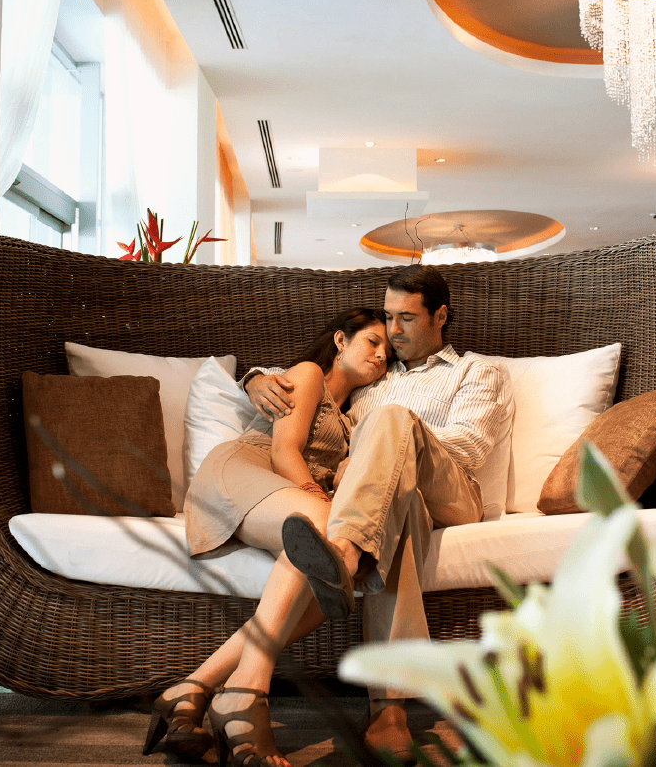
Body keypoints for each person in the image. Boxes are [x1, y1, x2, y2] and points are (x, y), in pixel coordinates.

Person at [245, 265, 510, 762]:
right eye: (387, 318)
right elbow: (316, 387)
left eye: (406, 318)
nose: (392, 330)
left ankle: (344, 552)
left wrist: (388, 448)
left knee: (391, 426)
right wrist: (253, 379)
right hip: (389, 500)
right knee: (396, 508)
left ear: (440, 316)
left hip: (454, 492)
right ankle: (389, 711)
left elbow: (470, 448)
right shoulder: (373, 379)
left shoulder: (477, 371)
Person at [143, 307, 392, 767]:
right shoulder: (309, 374)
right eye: (372, 341)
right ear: (340, 341)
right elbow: (283, 450)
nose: (381, 355)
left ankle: (192, 688)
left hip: (281, 499)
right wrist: (319, 500)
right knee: (325, 532)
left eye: (388, 352)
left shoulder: (352, 419)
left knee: (331, 572)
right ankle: (243, 693)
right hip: (244, 469)